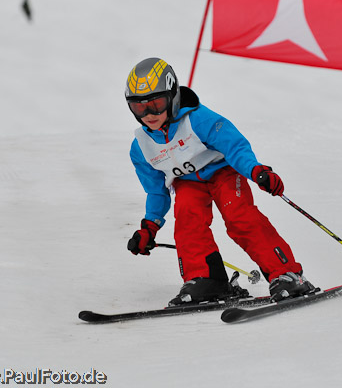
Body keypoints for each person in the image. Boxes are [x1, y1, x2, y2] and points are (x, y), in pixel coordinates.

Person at [125, 57, 316, 306]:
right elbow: (157, 192)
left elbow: (234, 146)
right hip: (187, 182)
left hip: (223, 172)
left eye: (156, 104)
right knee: (187, 218)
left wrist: (257, 171)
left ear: (172, 97)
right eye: (139, 108)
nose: (149, 114)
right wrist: (149, 227)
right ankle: (207, 279)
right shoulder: (142, 148)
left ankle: (286, 273)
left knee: (239, 217)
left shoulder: (198, 119)